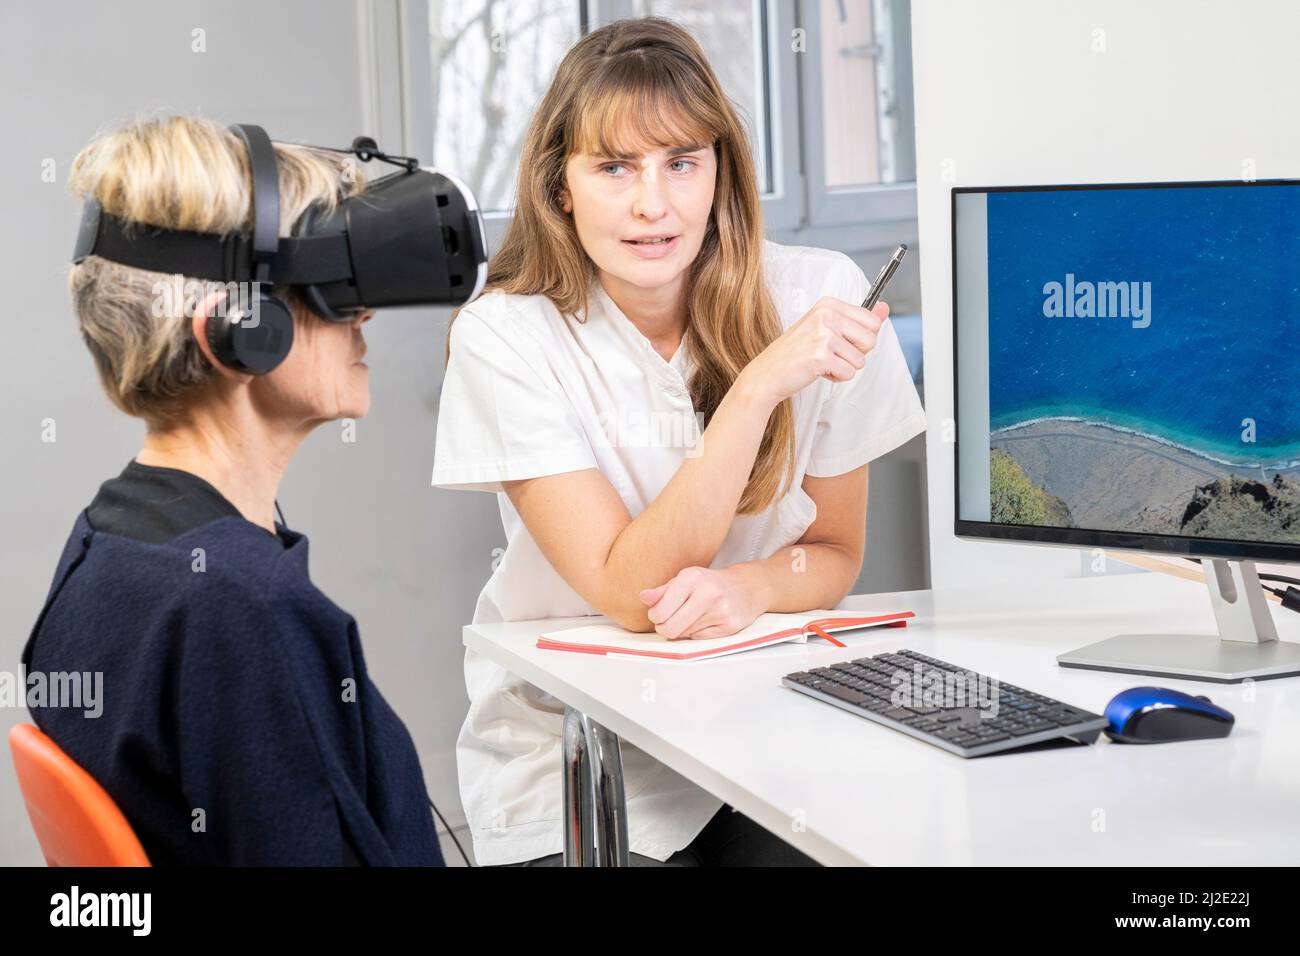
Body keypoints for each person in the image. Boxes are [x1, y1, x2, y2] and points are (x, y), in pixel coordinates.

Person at [431, 18, 926, 866]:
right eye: (615, 167)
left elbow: (836, 551)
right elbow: (634, 594)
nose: (652, 204)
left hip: (763, 726)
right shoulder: (504, 336)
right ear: (561, 189)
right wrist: (759, 386)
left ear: (719, 176)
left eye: (681, 163)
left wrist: (751, 587)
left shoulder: (819, 293)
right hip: (576, 757)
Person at [23, 115, 444, 866]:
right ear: (245, 331)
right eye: (335, 286)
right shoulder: (241, 612)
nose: (367, 314)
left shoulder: (105, 542)